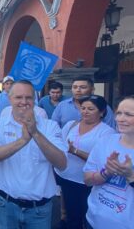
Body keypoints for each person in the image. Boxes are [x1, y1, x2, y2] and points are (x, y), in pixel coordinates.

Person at [0, 80, 67, 229]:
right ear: (10, 99)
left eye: (28, 97)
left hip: (39, 209)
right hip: (5, 204)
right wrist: (23, 140)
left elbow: (62, 163)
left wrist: (35, 133)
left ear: (34, 100)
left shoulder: (50, 126)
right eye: (18, 97)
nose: (24, 102)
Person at [55, 95, 115, 229]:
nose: (85, 111)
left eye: (90, 109)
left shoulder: (107, 132)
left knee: (85, 215)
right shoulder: (71, 125)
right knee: (69, 214)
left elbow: (103, 161)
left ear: (101, 112)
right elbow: (61, 144)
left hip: (86, 182)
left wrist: (76, 151)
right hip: (65, 176)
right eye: (83, 108)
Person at [83, 95, 134, 229]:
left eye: (128, 114)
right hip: (93, 220)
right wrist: (106, 173)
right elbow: (87, 180)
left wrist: (130, 176)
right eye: (119, 113)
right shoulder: (106, 141)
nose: (120, 119)